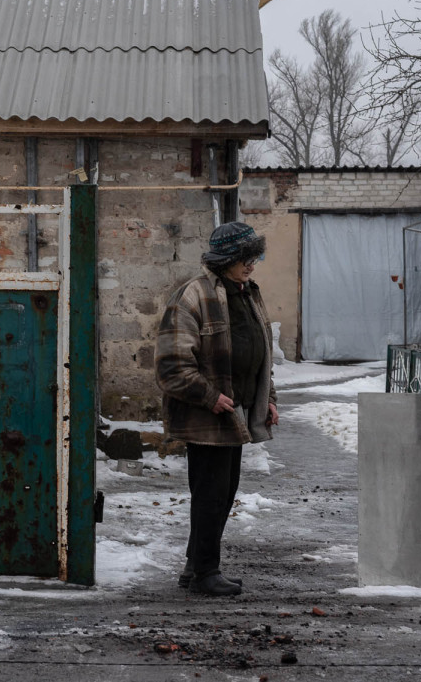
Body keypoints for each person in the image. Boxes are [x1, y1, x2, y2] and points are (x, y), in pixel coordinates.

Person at [155, 221, 279, 596]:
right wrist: (209, 396)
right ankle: (205, 574)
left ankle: (195, 567)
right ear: (226, 259)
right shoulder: (192, 296)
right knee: (210, 494)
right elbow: (171, 365)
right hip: (206, 414)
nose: (252, 264)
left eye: (254, 256)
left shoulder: (246, 292)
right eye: (245, 257)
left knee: (223, 493)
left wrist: (269, 398)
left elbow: (262, 352)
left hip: (234, 412)